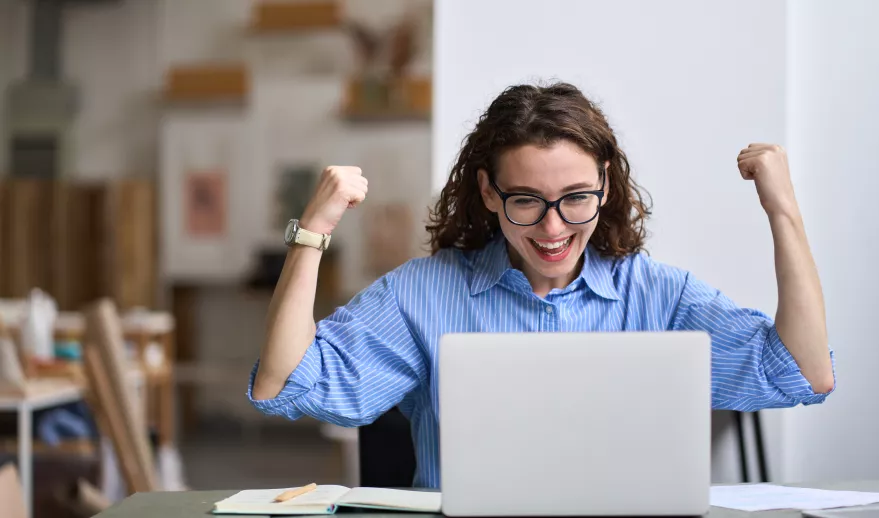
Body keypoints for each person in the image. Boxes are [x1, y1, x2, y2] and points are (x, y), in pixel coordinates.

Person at [249, 82, 835, 488]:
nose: (553, 229)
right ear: (487, 192)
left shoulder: (660, 295)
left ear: (604, 187)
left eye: (575, 198)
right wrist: (313, 231)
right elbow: (285, 382)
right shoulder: (421, 295)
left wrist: (784, 212)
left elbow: (804, 372)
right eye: (526, 200)